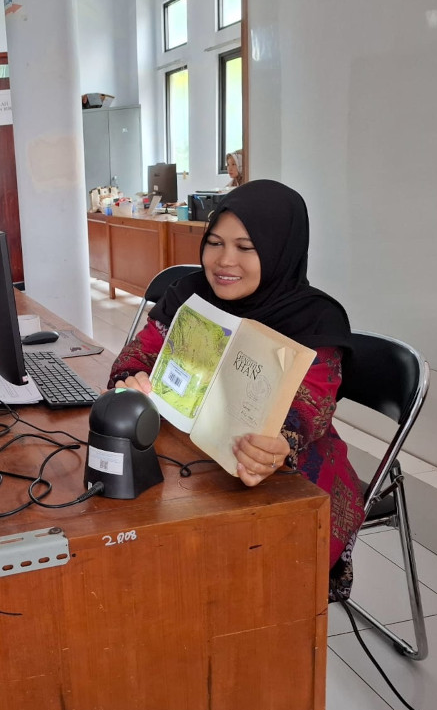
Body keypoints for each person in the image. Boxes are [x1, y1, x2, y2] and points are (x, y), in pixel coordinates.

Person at [109, 180, 361, 599]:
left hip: (287, 471)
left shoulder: (314, 317)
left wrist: (278, 443)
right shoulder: (190, 294)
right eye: (215, 243)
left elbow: (310, 405)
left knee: (237, 581)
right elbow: (140, 352)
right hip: (187, 454)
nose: (225, 261)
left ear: (280, 249)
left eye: (247, 248)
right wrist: (130, 378)